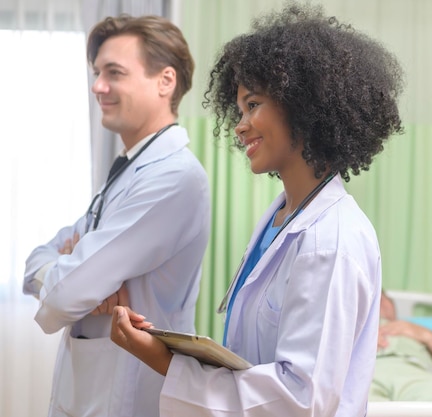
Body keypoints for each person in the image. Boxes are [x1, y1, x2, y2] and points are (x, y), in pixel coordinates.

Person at [110, 3, 404, 416]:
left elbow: (300, 401)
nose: (240, 124)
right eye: (240, 109)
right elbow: (256, 364)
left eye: (253, 105)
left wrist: (165, 362)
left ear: (301, 106)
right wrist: (174, 351)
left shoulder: (330, 241)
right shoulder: (284, 217)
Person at [22, 14, 211, 417]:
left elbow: (64, 296)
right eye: (96, 73)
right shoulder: (129, 169)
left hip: (129, 396)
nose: (97, 86)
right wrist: (66, 271)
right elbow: (35, 262)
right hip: (92, 390)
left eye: (114, 73)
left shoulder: (174, 178)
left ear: (165, 81)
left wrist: (73, 279)